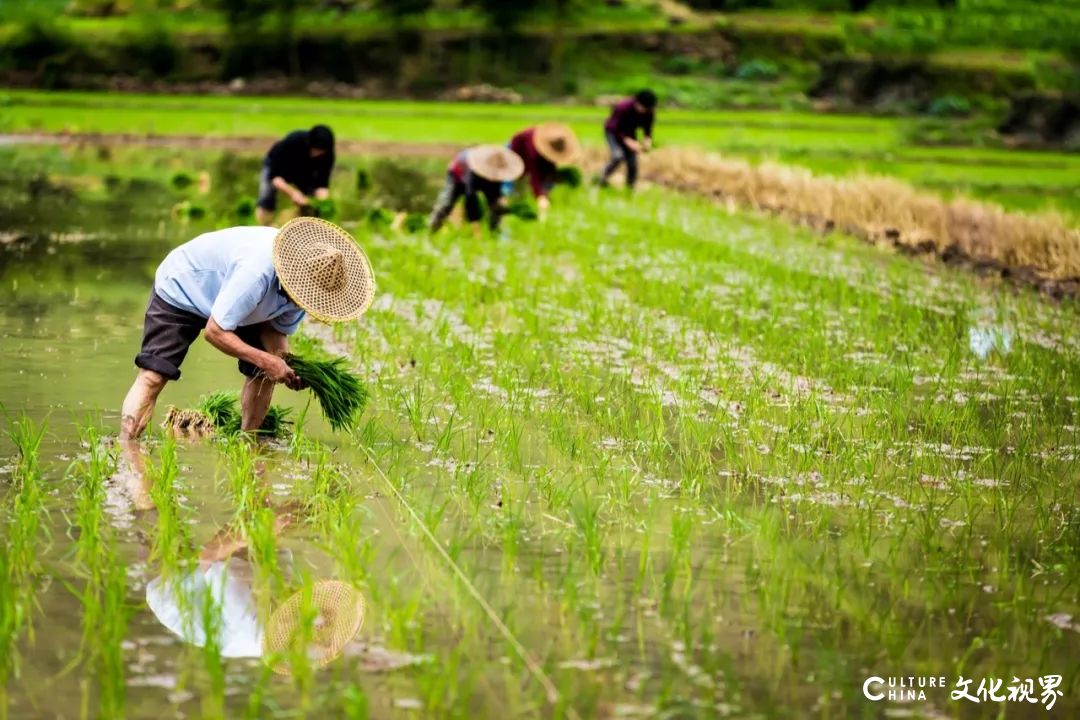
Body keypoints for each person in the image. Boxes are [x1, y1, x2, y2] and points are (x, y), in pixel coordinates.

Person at [119, 217, 376, 441]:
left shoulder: (307, 290)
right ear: (292, 276)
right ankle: (125, 452)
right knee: (154, 376)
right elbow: (215, 331)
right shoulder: (256, 272)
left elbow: (276, 333)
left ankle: (248, 445)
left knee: (265, 374)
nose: (304, 302)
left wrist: (285, 365)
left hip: (238, 304)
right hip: (184, 286)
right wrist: (266, 360)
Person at [428, 145, 524, 235]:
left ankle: (494, 232)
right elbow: (470, 197)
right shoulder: (473, 171)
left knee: (495, 205)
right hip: (457, 175)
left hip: (479, 177)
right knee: (448, 203)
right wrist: (476, 229)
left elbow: (495, 195)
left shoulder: (497, 175)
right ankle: (432, 229)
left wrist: (500, 206)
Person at [256, 125, 336, 226]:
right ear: (310, 144)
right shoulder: (293, 142)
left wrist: (322, 203)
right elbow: (275, 179)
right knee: (267, 200)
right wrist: (293, 193)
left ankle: (303, 232)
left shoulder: (328, 154)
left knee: (311, 207)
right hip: (279, 167)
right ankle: (263, 228)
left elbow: (322, 183)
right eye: (316, 150)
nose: (318, 154)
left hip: (304, 171)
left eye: (321, 152)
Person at [507, 122, 582, 221]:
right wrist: (540, 196)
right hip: (515, 152)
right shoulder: (532, 151)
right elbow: (535, 175)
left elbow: (549, 167)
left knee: (545, 182)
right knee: (516, 186)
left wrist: (545, 193)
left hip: (533, 155)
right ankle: (514, 210)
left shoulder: (550, 145)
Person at [598, 89, 657, 190]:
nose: (644, 111)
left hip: (629, 133)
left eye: (647, 109)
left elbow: (648, 128)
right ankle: (601, 178)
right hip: (613, 132)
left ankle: (630, 188)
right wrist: (627, 141)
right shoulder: (623, 107)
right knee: (618, 155)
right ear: (637, 103)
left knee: (632, 162)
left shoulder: (649, 112)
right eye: (643, 108)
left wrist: (648, 139)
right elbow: (614, 127)